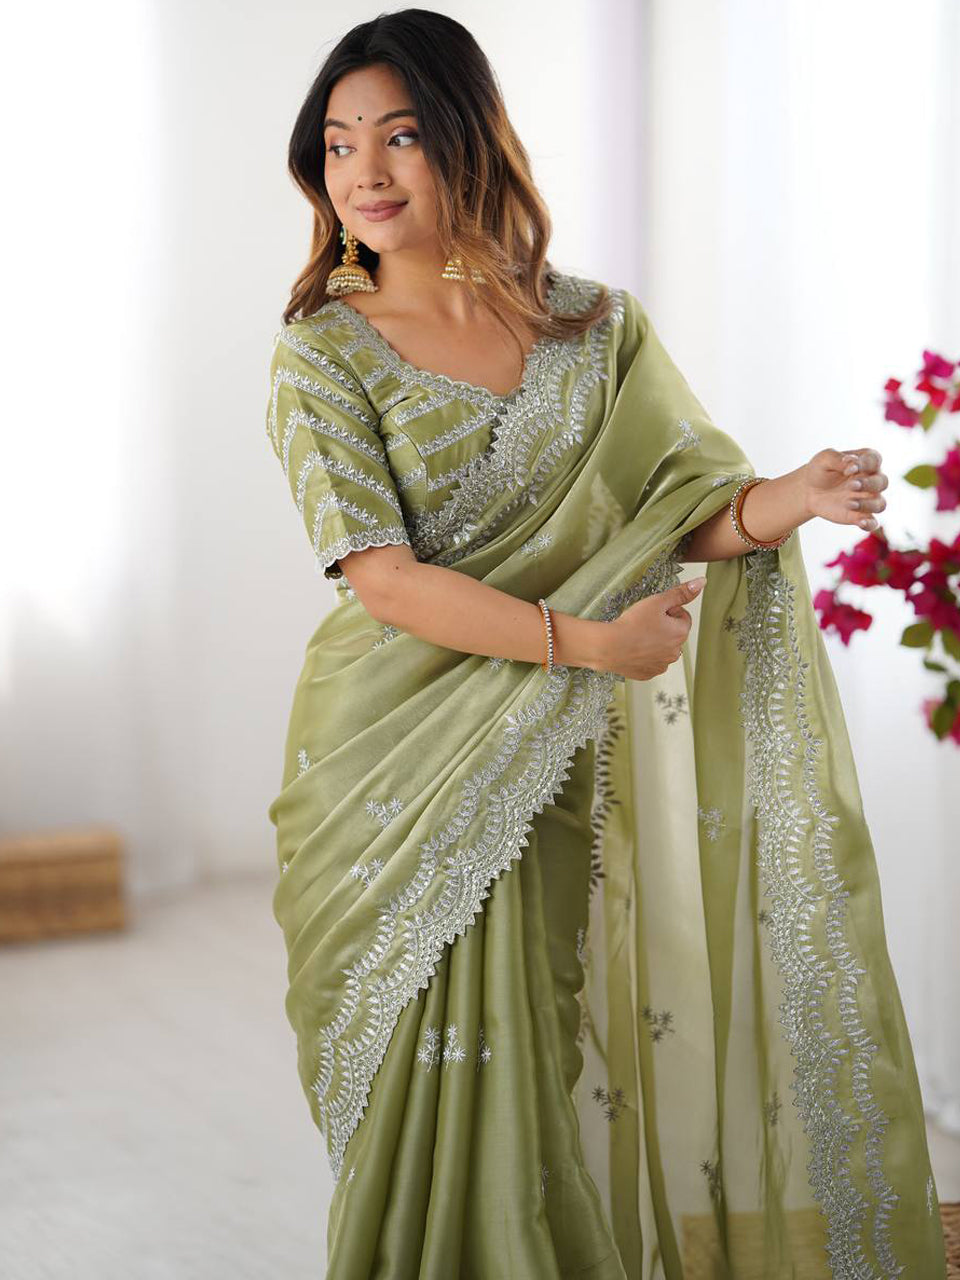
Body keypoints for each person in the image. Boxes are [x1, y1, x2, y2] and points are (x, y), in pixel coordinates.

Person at [264, 10, 948, 1277]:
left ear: (466, 138)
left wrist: (787, 498)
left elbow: (677, 513)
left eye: (399, 136)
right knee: (422, 1068)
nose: (364, 170)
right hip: (387, 757)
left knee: (533, 1030)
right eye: (339, 143)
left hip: (538, 743)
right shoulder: (322, 352)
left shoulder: (593, 327)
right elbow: (386, 582)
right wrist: (589, 644)